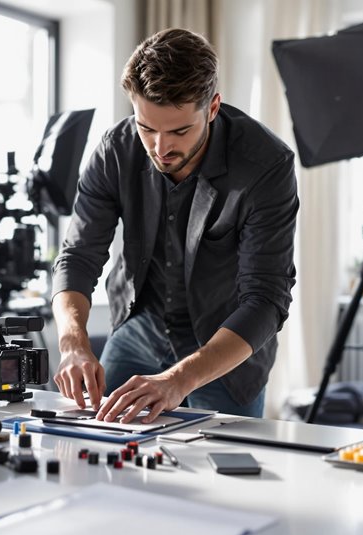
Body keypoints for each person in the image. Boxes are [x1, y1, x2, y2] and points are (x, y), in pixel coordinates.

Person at [51, 28, 298, 424]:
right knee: (94, 453)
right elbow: (78, 257)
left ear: (213, 107)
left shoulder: (266, 165)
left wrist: (178, 380)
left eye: (180, 131)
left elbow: (265, 300)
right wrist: (72, 342)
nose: (160, 148)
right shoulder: (115, 150)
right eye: (146, 128)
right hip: (136, 331)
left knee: (222, 478)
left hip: (223, 351)